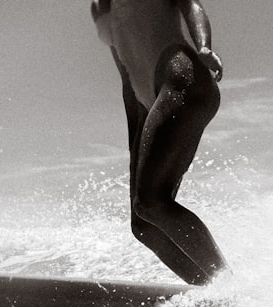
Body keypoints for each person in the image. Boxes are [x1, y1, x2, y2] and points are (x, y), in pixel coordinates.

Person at [92, 0, 228, 285]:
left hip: (182, 77)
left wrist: (204, 46)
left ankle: (230, 288)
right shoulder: (100, 8)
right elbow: (127, 79)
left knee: (152, 202)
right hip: (150, 100)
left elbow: (191, 5)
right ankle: (211, 291)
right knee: (143, 224)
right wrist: (135, 146)